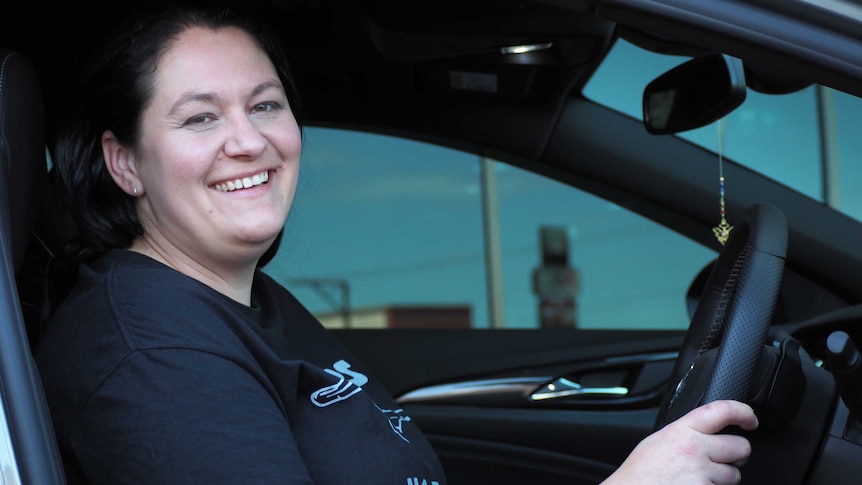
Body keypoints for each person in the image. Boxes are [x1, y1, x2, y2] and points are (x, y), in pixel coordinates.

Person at [34, 2, 758, 484]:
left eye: (265, 105)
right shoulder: (148, 351)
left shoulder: (239, 298)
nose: (248, 141)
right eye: (199, 119)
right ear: (123, 161)